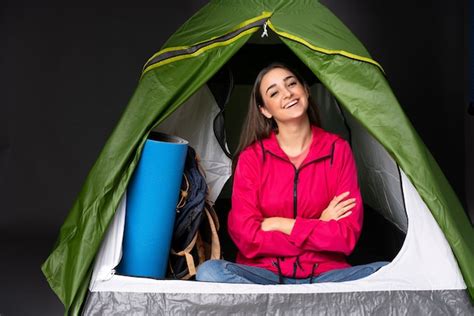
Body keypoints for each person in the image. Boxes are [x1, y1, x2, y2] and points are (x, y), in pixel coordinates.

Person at [196, 63, 388, 284]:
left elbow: (345, 238)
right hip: (265, 276)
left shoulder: (338, 150)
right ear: (265, 110)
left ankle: (282, 306)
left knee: (387, 273)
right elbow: (246, 238)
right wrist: (319, 224)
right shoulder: (252, 158)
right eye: (274, 92)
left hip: (326, 275)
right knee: (209, 273)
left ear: (305, 90)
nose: (287, 94)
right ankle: (303, 305)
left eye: (292, 84)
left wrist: (279, 223)